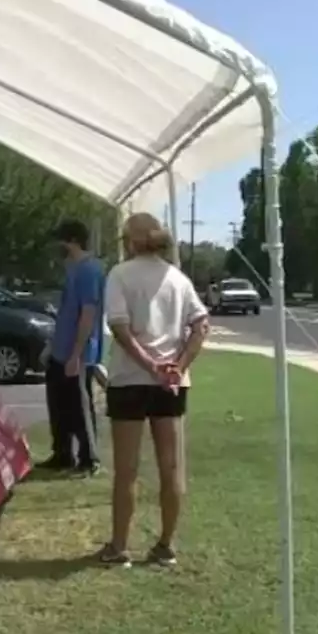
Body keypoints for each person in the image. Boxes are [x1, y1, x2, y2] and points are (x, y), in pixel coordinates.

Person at [97, 212, 210, 567]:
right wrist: (178, 366)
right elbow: (201, 325)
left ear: (131, 241)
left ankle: (119, 548)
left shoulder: (120, 274)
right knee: (171, 468)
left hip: (130, 380)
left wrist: (149, 365)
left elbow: (119, 327)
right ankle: (165, 546)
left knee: (126, 470)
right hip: (171, 385)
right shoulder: (179, 278)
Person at [41, 219, 106, 476]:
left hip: (77, 353)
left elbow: (87, 314)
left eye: (62, 241)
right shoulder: (72, 269)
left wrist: (76, 354)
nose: (59, 246)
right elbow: (66, 312)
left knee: (79, 405)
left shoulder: (90, 270)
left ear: (72, 241)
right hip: (60, 349)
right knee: (58, 403)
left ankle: (90, 459)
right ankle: (62, 454)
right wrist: (52, 345)